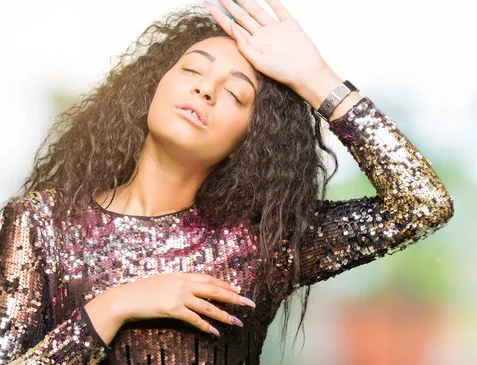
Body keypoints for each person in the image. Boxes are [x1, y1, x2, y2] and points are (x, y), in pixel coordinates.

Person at [0, 0, 454, 363]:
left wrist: (316, 78)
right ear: (152, 88)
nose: (205, 89)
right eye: (192, 70)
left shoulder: (262, 240)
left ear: (249, 141)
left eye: (235, 94)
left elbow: (422, 204)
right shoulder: (42, 222)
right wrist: (111, 308)